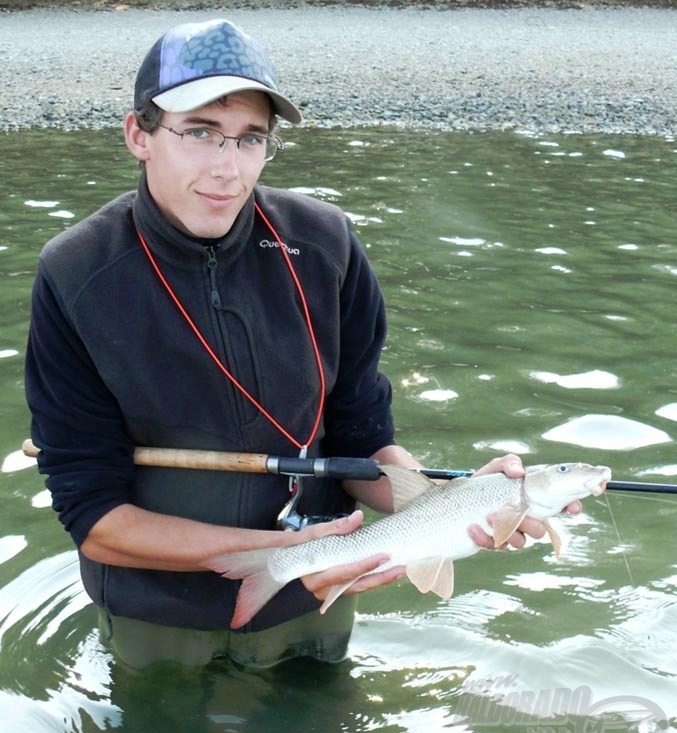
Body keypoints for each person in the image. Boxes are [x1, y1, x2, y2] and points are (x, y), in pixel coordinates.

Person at [24, 18, 579, 670]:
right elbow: (93, 516)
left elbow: (360, 435)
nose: (226, 168)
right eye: (199, 132)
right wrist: (280, 554)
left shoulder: (326, 245)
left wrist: (450, 504)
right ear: (138, 136)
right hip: (156, 611)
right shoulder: (76, 274)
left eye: (250, 138)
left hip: (313, 597)